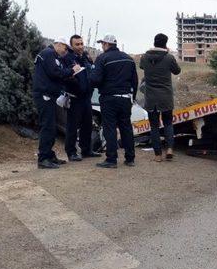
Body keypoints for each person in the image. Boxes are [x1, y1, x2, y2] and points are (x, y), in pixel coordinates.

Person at [90, 34, 138, 168]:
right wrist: (132, 97)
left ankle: (111, 159)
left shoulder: (102, 58)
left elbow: (95, 80)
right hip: (125, 98)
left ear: (106, 44)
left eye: (102, 44)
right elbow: (135, 80)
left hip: (109, 98)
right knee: (126, 127)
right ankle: (130, 158)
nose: (102, 46)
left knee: (109, 128)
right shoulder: (129, 59)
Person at [32, 37, 80, 169]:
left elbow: (56, 74)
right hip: (44, 95)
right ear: (58, 44)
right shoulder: (48, 54)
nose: (65, 51)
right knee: (47, 127)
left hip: (49, 95)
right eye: (65, 47)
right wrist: (72, 71)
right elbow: (55, 73)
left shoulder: (52, 56)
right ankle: (43, 158)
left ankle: (49, 155)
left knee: (51, 127)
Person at [139, 33, 181, 162]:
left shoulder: (145, 57)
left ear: (154, 42)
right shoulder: (168, 58)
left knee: (154, 126)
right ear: (165, 44)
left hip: (151, 97)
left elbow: (141, 66)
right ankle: (169, 149)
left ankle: (157, 155)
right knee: (168, 123)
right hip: (165, 97)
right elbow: (177, 71)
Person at [61, 34, 100, 161]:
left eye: (81, 44)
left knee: (87, 125)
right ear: (71, 46)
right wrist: (77, 85)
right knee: (72, 126)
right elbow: (65, 76)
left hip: (87, 97)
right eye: (77, 44)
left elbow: (92, 72)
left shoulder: (86, 57)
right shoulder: (67, 58)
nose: (80, 46)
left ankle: (86, 150)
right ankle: (71, 152)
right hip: (74, 97)